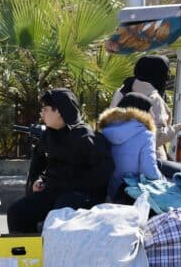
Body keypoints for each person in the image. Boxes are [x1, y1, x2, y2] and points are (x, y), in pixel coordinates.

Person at [7, 88, 114, 233]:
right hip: (54, 191)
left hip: (82, 194)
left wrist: (73, 185)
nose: (42, 113)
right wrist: (39, 181)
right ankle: (30, 253)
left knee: (61, 210)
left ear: (59, 111)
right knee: (17, 212)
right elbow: (39, 165)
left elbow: (104, 171)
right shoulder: (49, 136)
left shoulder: (85, 137)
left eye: (45, 109)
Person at [110, 55, 181, 160]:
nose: (167, 79)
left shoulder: (122, 91)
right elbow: (157, 138)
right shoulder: (153, 98)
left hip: (119, 158)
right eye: (166, 74)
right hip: (147, 161)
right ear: (159, 75)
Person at [99, 92, 163, 203]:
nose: (153, 115)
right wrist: (163, 181)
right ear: (142, 112)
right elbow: (149, 171)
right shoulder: (146, 135)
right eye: (150, 110)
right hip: (131, 195)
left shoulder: (104, 131)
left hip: (106, 194)